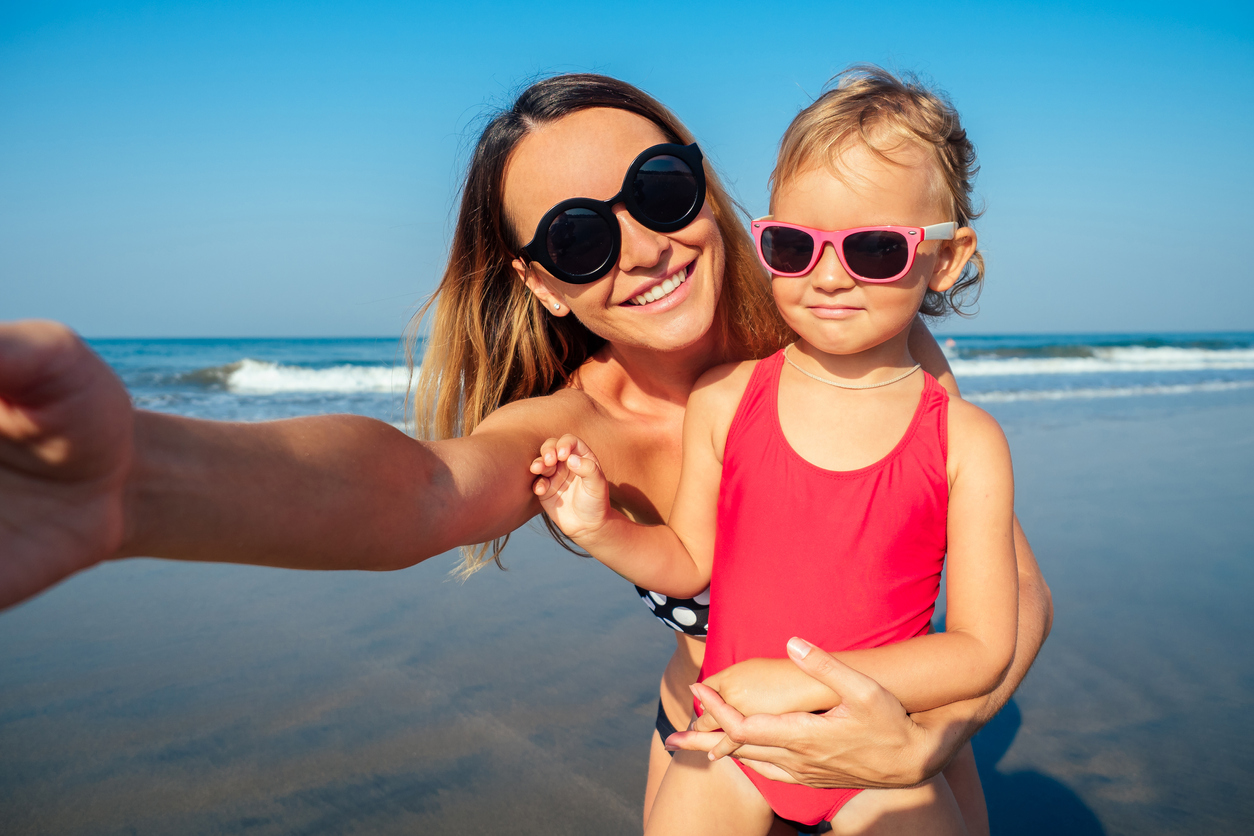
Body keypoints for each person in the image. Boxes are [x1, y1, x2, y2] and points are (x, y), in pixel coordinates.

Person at [0, 71, 1051, 833]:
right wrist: (136, 482)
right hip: (715, 743)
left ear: (706, 182)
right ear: (545, 280)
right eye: (581, 238)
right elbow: (414, 493)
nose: (640, 246)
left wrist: (936, 733)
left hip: (894, 736)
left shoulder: (849, 320)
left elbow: (1013, 597)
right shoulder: (573, 427)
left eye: (660, 190)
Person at [530, 67, 1016, 835]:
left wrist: (795, 683)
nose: (827, 277)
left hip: (873, 753)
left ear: (947, 259)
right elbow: (690, 561)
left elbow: (983, 649)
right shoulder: (726, 401)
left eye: (876, 250)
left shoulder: (966, 440)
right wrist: (602, 530)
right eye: (794, 245)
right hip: (732, 746)